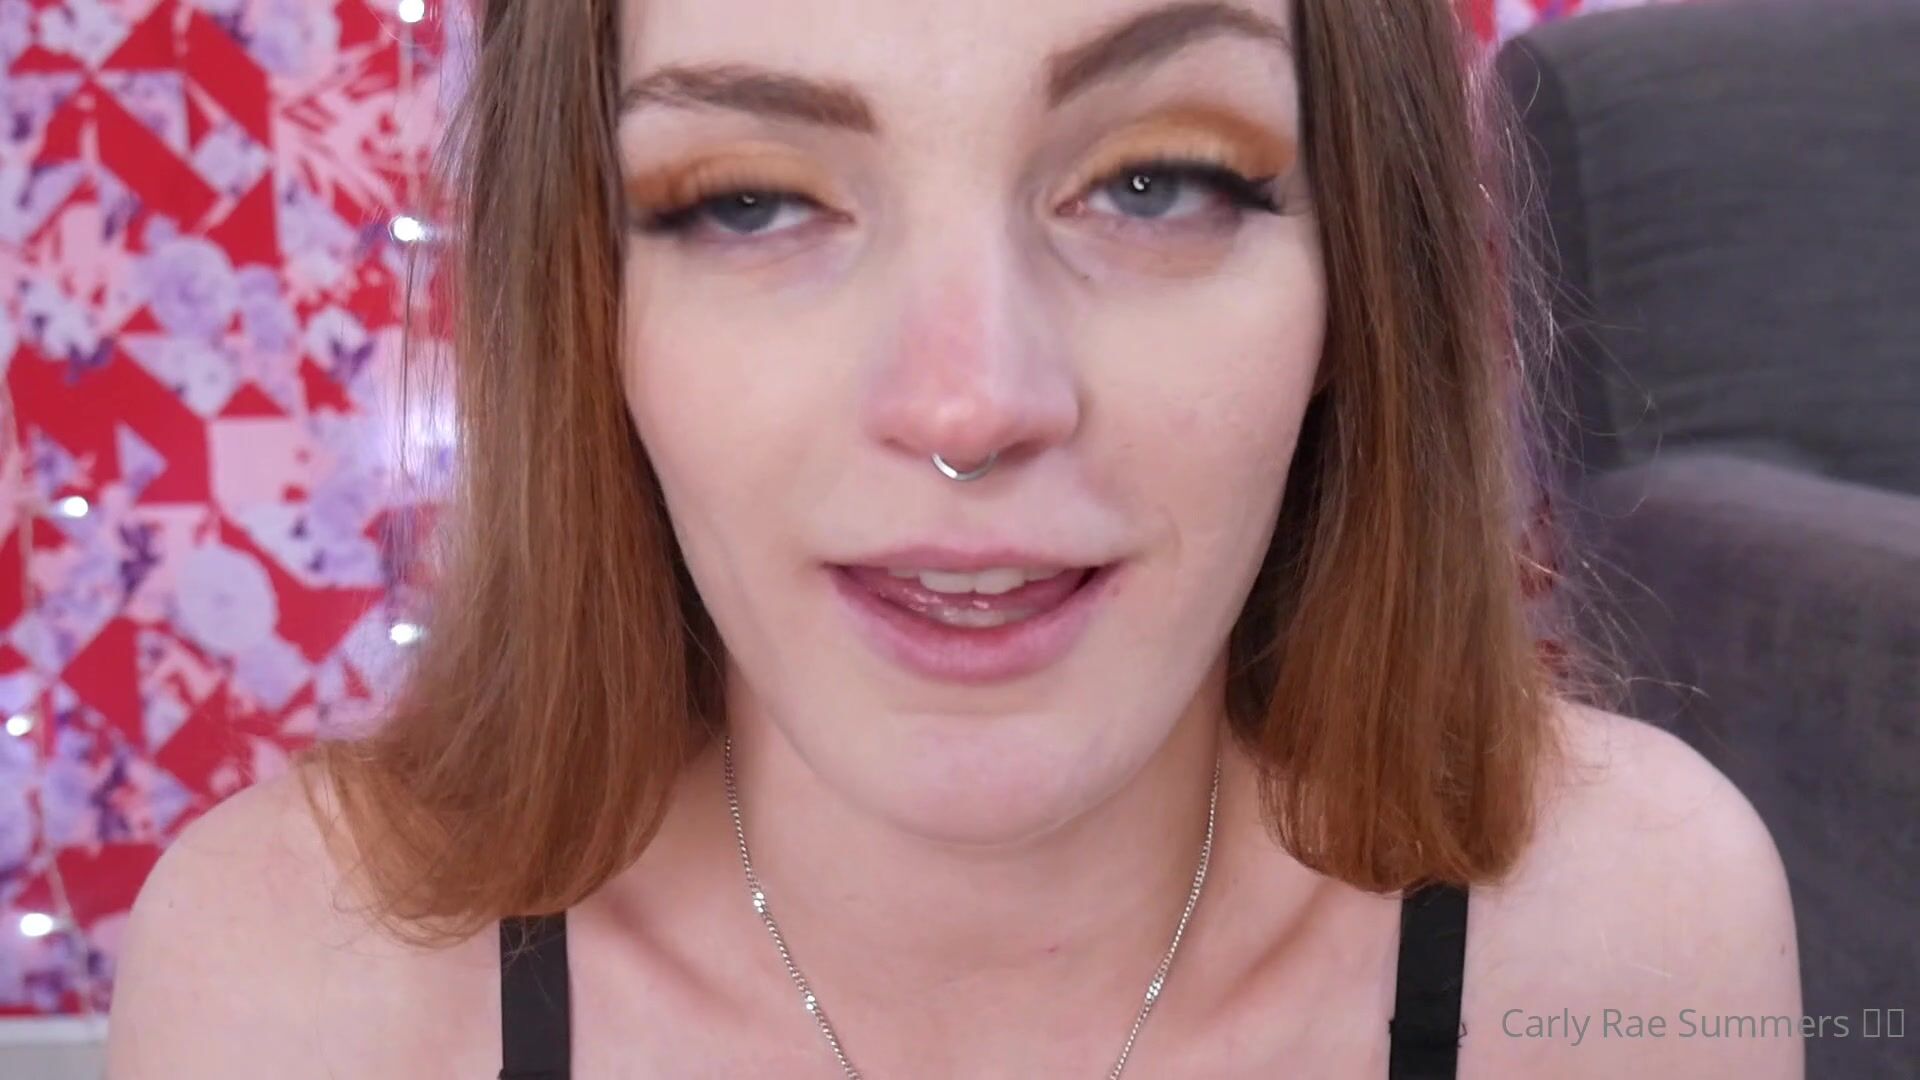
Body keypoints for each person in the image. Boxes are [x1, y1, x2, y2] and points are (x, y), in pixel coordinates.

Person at [106, 1, 1802, 1076]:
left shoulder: (1626, 933)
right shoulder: (301, 984)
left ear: (1360, 275)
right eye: (753, 199)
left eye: (1156, 181)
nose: (971, 402)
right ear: (586, 309)